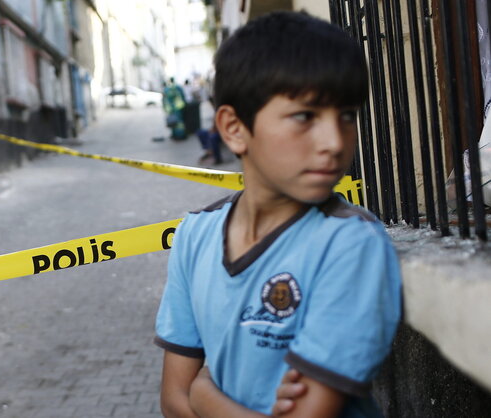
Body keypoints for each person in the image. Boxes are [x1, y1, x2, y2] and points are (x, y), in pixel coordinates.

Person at [154, 11, 402, 418]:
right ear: (233, 128)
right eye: (305, 116)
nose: (334, 142)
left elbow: (189, 396)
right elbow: (171, 401)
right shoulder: (195, 235)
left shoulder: (352, 243)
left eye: (347, 116)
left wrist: (205, 394)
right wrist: (191, 396)